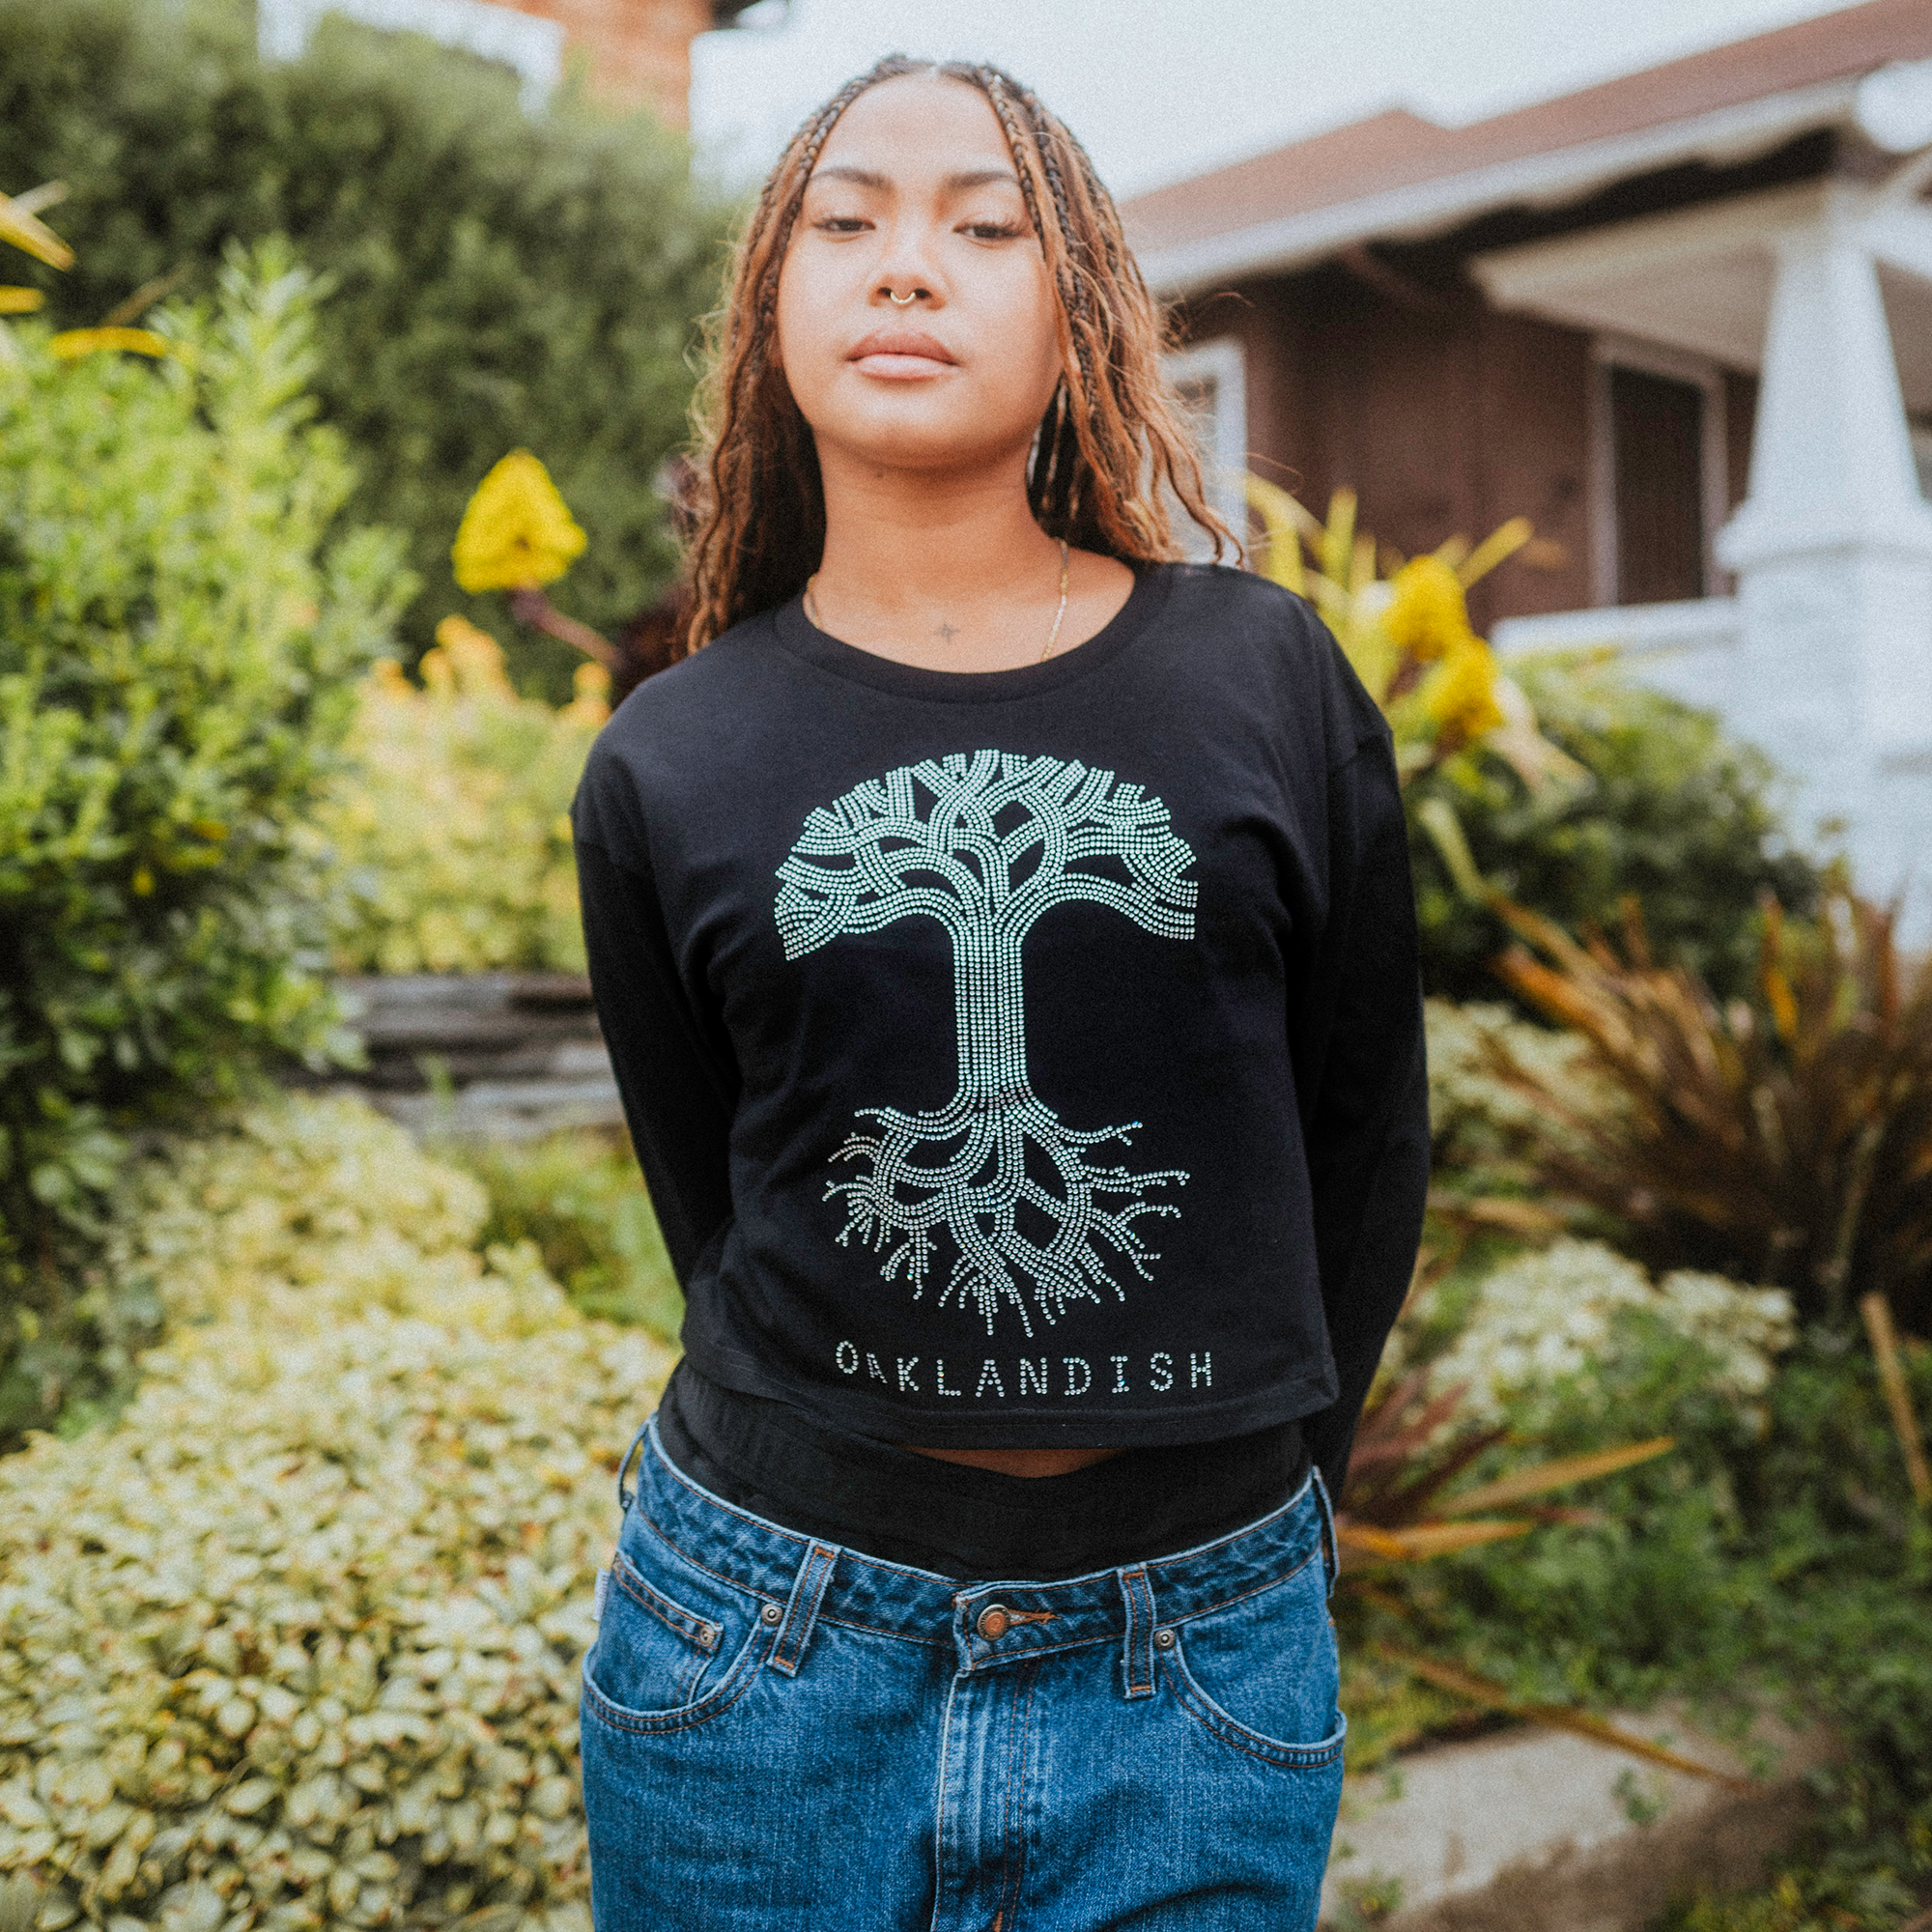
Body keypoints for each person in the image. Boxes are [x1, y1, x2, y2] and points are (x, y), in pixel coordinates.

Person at [570, 53, 1428, 1932]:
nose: (905, 266)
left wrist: (1273, 1493)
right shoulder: (673, 757)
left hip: (1193, 1653)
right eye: (847, 220)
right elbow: (714, 1203)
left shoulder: (1263, 676)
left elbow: (1364, 1132)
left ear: (1083, 312)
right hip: (763, 1650)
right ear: (768, 310)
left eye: (983, 224)